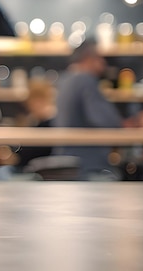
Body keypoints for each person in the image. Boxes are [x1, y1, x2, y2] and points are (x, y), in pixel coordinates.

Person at [51, 40, 134, 180]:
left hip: (66, 161)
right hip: (87, 165)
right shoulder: (85, 80)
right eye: (100, 58)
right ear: (89, 58)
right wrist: (124, 123)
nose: (103, 64)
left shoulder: (65, 79)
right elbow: (105, 120)